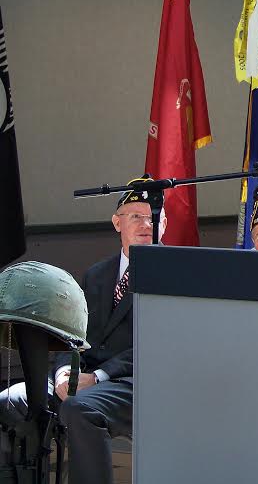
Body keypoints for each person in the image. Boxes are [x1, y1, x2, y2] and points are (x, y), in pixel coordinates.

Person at [0, 176, 166, 484]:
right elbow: (72, 334)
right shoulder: (97, 274)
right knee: (10, 400)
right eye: (135, 216)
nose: (146, 224)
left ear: (164, 224)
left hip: (136, 381)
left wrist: (98, 376)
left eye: (152, 217)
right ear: (117, 223)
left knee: (79, 408)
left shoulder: (174, 275)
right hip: (82, 377)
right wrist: (65, 373)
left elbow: (160, 343)